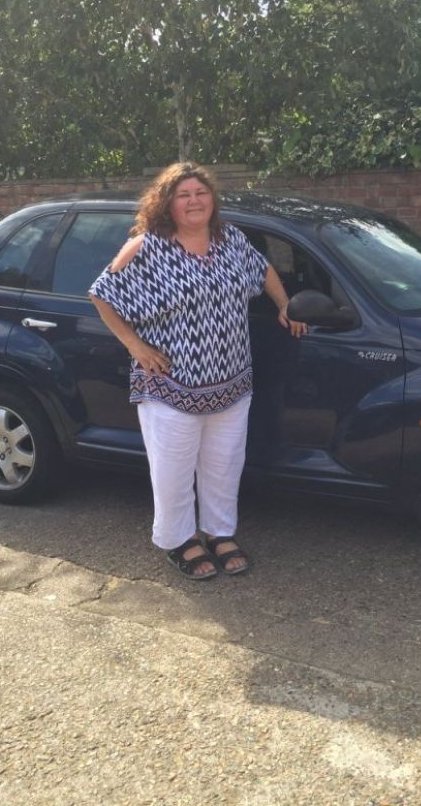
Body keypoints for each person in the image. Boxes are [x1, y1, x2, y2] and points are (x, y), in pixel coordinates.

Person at [89, 162, 306, 580]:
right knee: (172, 471)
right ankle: (179, 541)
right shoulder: (146, 246)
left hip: (231, 384)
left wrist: (284, 305)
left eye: (200, 193)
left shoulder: (231, 239)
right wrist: (135, 345)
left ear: (212, 200)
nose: (194, 201)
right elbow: (103, 294)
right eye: (184, 194)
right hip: (171, 385)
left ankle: (220, 533)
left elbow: (263, 270)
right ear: (167, 202)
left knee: (223, 465)